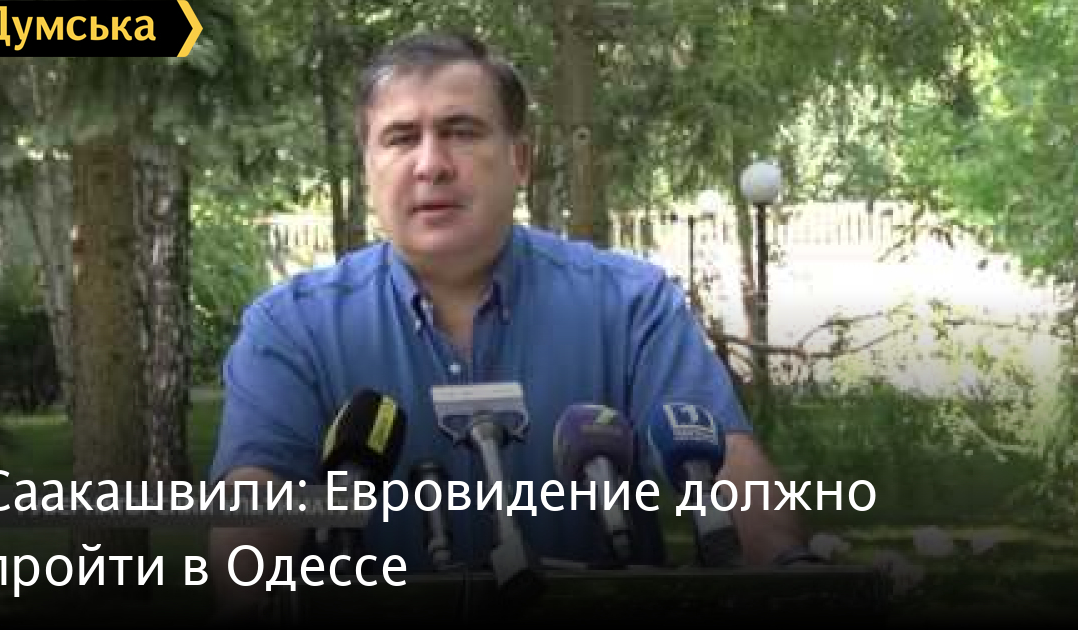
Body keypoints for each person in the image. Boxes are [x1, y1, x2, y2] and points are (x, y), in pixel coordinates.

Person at [207, 30, 810, 618]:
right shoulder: (291, 328)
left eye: (461, 131)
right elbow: (249, 542)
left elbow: (732, 478)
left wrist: (794, 577)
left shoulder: (630, 306)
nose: (431, 165)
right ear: (368, 167)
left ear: (520, 159)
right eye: (400, 138)